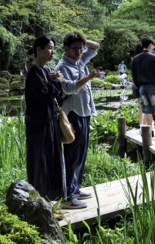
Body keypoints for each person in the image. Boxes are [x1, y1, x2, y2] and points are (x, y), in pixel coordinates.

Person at [56, 32, 102, 209]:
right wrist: (89, 77)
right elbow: (68, 88)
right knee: (72, 155)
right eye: (75, 48)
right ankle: (68, 196)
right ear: (66, 49)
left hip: (85, 112)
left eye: (81, 48)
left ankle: (76, 188)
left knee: (81, 154)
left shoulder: (80, 61)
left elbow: (95, 46)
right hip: (73, 114)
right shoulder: (63, 66)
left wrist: (81, 38)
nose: (79, 51)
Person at [24, 36, 66, 201]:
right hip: (39, 126)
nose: (52, 52)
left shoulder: (43, 71)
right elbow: (43, 95)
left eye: (52, 48)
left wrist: (51, 79)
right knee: (41, 163)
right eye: (49, 48)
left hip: (47, 123)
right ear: (38, 50)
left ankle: (50, 199)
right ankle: (41, 199)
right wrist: (58, 82)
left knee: (50, 161)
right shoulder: (35, 71)